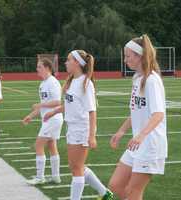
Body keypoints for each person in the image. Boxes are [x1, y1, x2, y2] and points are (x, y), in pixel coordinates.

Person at [44, 50, 113, 200]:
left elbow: (92, 111)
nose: (65, 62)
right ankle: (104, 193)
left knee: (76, 168)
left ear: (77, 63)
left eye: (68, 60)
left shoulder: (85, 84)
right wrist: (54, 111)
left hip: (82, 129)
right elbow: (70, 105)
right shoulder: (72, 81)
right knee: (75, 166)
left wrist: (91, 136)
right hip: (72, 127)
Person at [108, 34, 167, 200]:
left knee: (133, 192)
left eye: (127, 56)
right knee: (115, 185)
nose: (125, 60)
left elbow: (158, 114)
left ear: (139, 56)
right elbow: (136, 111)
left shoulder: (152, 80)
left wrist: (141, 135)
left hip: (150, 145)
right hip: (138, 144)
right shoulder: (137, 78)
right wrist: (121, 131)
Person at [23, 58, 63, 185]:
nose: (37, 69)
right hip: (49, 119)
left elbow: (58, 102)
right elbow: (43, 106)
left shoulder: (53, 82)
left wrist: (40, 104)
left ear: (47, 68)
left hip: (53, 118)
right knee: (51, 145)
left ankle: (40, 177)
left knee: (38, 145)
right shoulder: (43, 84)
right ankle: (55, 176)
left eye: (39, 67)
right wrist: (31, 115)